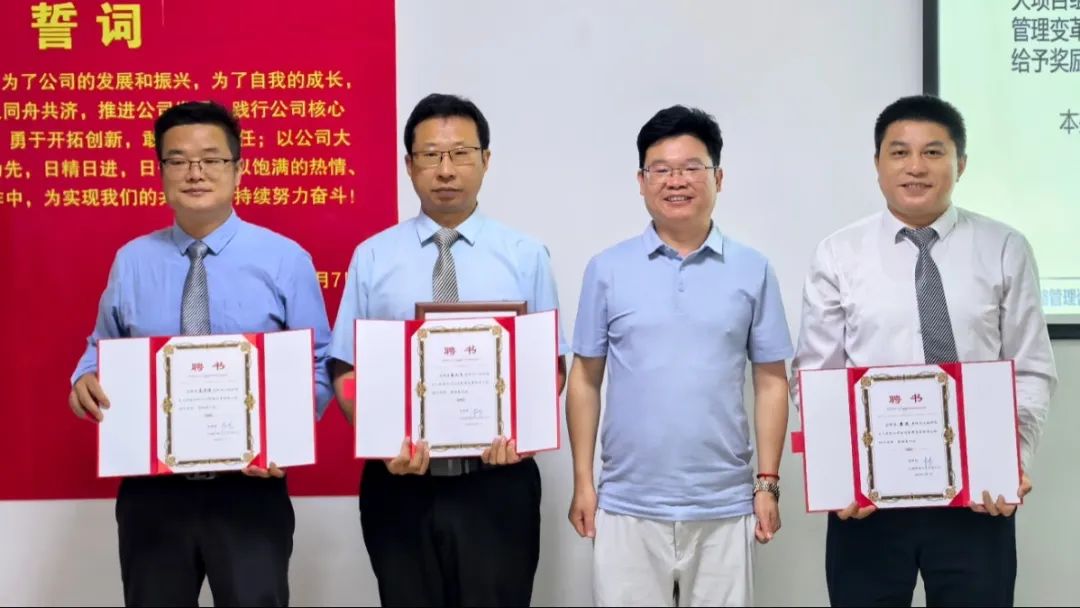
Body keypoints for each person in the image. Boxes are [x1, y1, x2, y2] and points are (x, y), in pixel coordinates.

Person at [790, 94, 1057, 607]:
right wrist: (838, 474)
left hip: (977, 495)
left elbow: (1031, 367)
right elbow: (816, 376)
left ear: (961, 163)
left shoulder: (1004, 247)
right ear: (877, 164)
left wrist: (1011, 461)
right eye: (899, 152)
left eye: (933, 152)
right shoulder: (838, 253)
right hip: (868, 500)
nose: (916, 167)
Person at [68, 100, 333, 607]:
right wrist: (84, 379)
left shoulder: (285, 259)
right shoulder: (132, 262)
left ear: (238, 169)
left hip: (249, 488)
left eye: (211, 159)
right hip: (153, 491)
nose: (195, 173)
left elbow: (318, 361)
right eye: (179, 160)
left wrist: (285, 435)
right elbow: (99, 349)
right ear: (160, 171)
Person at [328, 92, 569, 607]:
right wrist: (380, 441)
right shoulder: (373, 257)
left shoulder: (525, 255)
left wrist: (524, 432)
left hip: (497, 483)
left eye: (460, 153)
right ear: (409, 165)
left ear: (486, 159)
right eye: (430, 155)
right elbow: (346, 368)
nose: (445, 169)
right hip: (400, 485)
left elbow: (550, 365)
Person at [565, 105, 793, 607]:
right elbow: (585, 378)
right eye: (661, 169)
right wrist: (584, 482)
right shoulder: (606, 269)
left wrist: (768, 484)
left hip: (724, 504)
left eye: (692, 167)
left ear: (718, 178)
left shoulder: (753, 269)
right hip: (627, 503)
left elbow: (772, 380)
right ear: (641, 181)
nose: (677, 181)